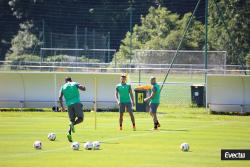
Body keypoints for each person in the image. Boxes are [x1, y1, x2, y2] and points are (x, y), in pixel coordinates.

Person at [59, 76, 86, 142]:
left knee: (72, 120)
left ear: (65, 81)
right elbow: (83, 88)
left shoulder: (63, 87)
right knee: (80, 119)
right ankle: (73, 125)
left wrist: (62, 107)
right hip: (76, 103)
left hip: (69, 105)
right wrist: (83, 87)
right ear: (71, 80)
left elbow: (60, 97)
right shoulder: (74, 83)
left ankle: (69, 133)